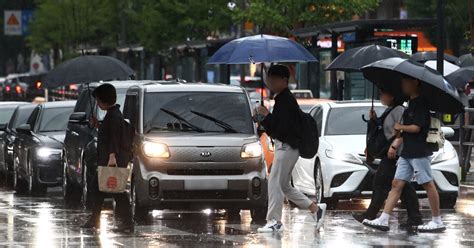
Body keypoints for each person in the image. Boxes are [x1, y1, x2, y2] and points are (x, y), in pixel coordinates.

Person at [363, 76, 446, 232]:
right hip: (407, 151)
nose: (402, 85)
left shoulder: (421, 104)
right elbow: (407, 129)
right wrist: (398, 138)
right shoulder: (411, 104)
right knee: (396, 184)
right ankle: (384, 219)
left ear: (415, 83)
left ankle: (437, 220)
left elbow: (417, 128)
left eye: (405, 81)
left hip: (419, 151)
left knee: (427, 183)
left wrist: (400, 126)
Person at [255, 64, 327, 233]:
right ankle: (316, 209)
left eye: (273, 79)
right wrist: (264, 117)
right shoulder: (281, 99)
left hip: (287, 147)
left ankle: (274, 221)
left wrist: (266, 116)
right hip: (285, 147)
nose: (269, 83)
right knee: (284, 185)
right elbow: (276, 128)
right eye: (268, 79)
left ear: (283, 81)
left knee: (274, 183)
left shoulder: (286, 101)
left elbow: (281, 130)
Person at [352, 88, 423, 228]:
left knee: (380, 182)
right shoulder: (391, 109)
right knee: (402, 186)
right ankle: (415, 217)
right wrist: (374, 119)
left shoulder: (399, 110)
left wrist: (395, 146)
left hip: (395, 153)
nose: (380, 96)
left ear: (391, 96)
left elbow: (402, 131)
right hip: (391, 153)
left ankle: (370, 215)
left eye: (382, 93)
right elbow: (383, 129)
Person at [81, 83, 133, 232]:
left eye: (98, 100)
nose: (97, 103)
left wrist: (112, 157)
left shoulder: (114, 116)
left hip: (112, 160)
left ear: (104, 100)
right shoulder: (112, 115)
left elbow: (114, 138)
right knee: (100, 190)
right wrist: (97, 125)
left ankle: (127, 224)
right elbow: (109, 133)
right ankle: (95, 220)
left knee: (117, 192)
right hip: (109, 159)